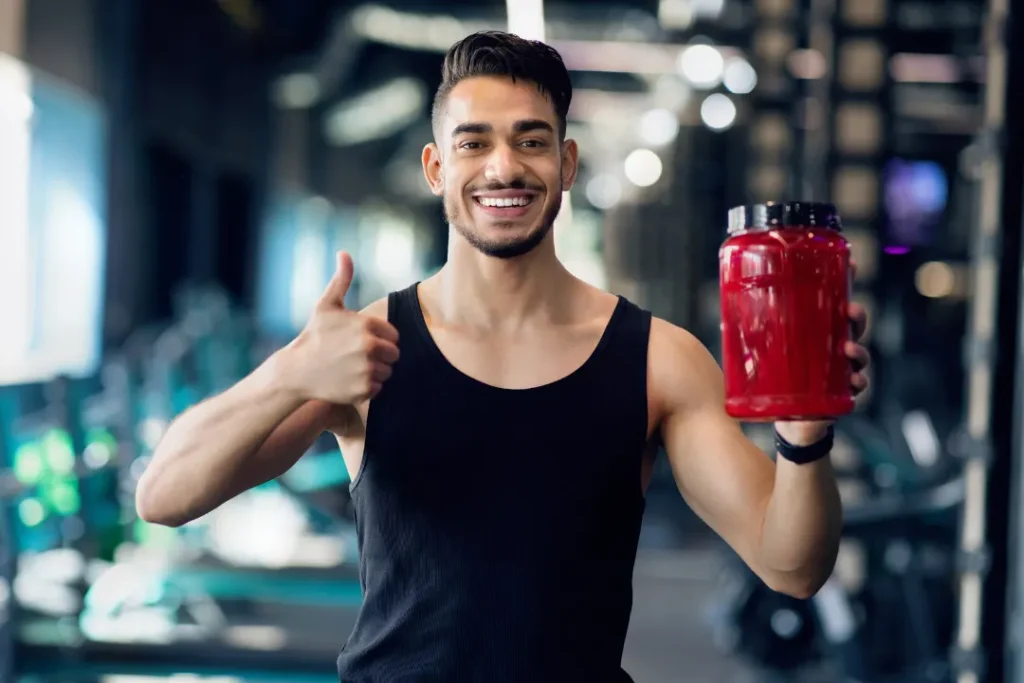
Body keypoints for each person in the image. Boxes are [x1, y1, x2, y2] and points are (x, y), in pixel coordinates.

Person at [136, 30, 871, 682]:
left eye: (530, 139)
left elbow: (794, 566)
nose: (503, 167)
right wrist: (288, 372)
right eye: (473, 141)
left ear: (567, 162)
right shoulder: (363, 348)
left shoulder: (657, 360)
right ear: (435, 167)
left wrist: (805, 431)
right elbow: (164, 496)